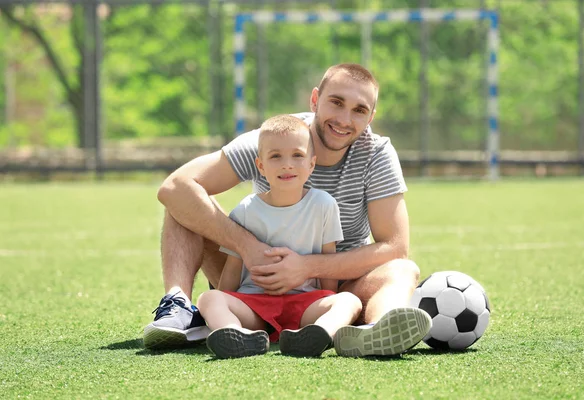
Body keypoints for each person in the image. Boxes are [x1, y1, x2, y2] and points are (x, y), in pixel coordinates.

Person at [143, 63, 432, 357]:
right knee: (185, 204)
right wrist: (248, 248)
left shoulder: (377, 153)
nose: (345, 119)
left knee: (403, 268)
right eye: (336, 102)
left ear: (370, 117)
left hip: (332, 292)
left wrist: (306, 267)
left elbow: (395, 247)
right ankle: (178, 309)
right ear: (315, 99)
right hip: (256, 281)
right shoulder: (277, 138)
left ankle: (382, 328)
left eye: (359, 110)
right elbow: (174, 187)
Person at [196, 114, 361, 358]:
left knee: (349, 301)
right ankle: (234, 334)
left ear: (311, 164)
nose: (287, 164)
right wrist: (224, 300)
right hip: (255, 305)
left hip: (305, 305)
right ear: (261, 166)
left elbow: (328, 263)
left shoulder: (324, 205)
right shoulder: (245, 210)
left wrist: (327, 301)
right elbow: (233, 267)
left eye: (297, 155)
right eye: (275, 156)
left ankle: (319, 334)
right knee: (208, 298)